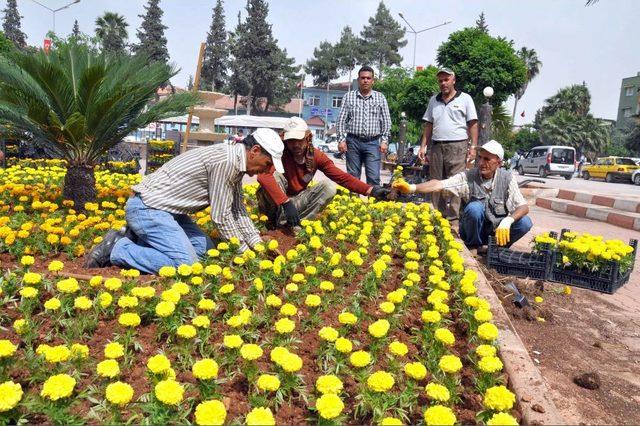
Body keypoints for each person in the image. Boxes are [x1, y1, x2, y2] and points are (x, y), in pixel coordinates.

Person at [84, 128, 285, 274]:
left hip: (168, 212)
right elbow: (222, 217)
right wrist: (245, 254)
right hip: (147, 208)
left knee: (206, 253)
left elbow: (238, 210)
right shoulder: (226, 161)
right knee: (187, 265)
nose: (267, 171)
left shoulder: (236, 163)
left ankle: (141, 238)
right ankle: (121, 248)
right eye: (267, 164)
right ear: (255, 150)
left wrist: (258, 246)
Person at [395, 140, 532, 251]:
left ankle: (495, 248)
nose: (481, 163)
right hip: (473, 231)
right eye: (480, 158)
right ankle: (474, 246)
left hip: (495, 231)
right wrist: (412, 188)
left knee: (525, 222)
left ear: (499, 163)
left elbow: (523, 207)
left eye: (487, 159)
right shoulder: (468, 176)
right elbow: (439, 184)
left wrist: (508, 221)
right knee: (475, 208)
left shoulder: (507, 178)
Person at [256, 117, 390, 228]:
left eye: (299, 140)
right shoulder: (277, 153)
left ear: (308, 138)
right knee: (274, 176)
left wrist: (370, 190)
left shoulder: (316, 156)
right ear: (284, 140)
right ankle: (272, 221)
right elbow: (263, 177)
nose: (295, 145)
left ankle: (294, 223)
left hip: (296, 202)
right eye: (291, 141)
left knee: (329, 187)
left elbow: (342, 177)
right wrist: (285, 202)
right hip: (277, 205)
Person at [417, 67, 478, 221]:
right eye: (440, 80)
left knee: (456, 182)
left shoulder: (465, 98)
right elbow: (429, 125)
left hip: (458, 146)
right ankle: (438, 215)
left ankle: (453, 218)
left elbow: (473, 124)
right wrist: (423, 146)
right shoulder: (433, 100)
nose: (443, 83)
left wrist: (473, 147)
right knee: (436, 181)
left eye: (446, 80)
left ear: (453, 80)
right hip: (437, 146)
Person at [336, 65, 392, 186]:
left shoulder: (380, 98)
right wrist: (341, 140)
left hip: (372, 143)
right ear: (358, 80)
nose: (365, 80)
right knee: (352, 178)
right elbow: (341, 120)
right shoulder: (348, 97)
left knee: (373, 177)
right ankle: (352, 204)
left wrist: (384, 141)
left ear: (373, 81)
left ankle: (374, 205)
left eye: (368, 78)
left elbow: (386, 121)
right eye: (363, 78)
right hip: (353, 142)